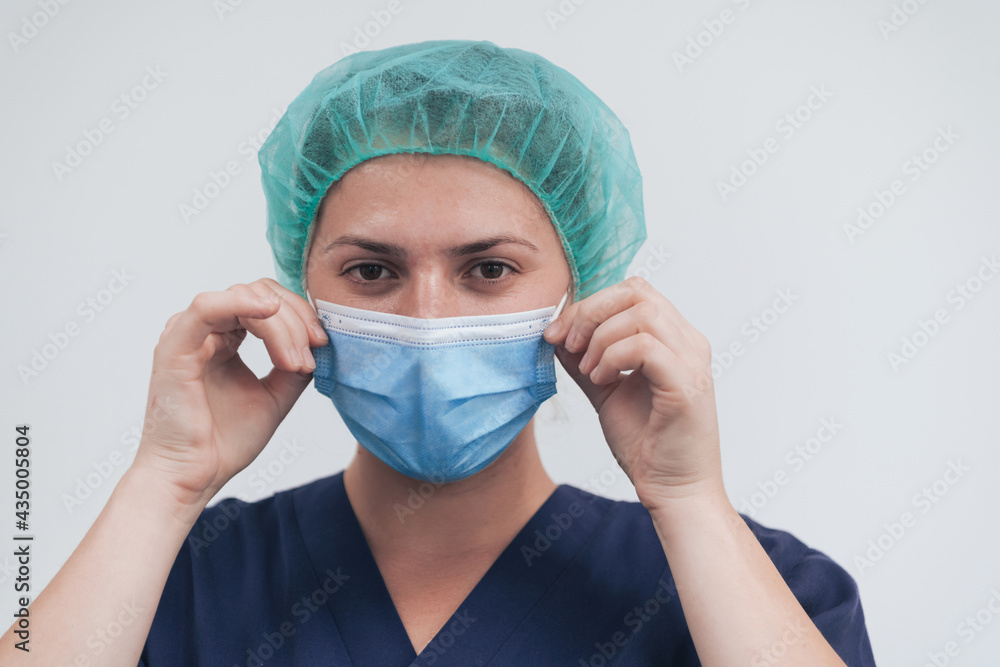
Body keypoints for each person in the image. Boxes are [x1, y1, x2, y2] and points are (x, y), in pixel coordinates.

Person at [2, 40, 876, 666]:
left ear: (580, 291)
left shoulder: (755, 586)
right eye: (372, 270)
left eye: (488, 269)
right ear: (301, 291)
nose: (427, 318)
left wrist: (689, 501)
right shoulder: (179, 579)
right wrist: (163, 481)